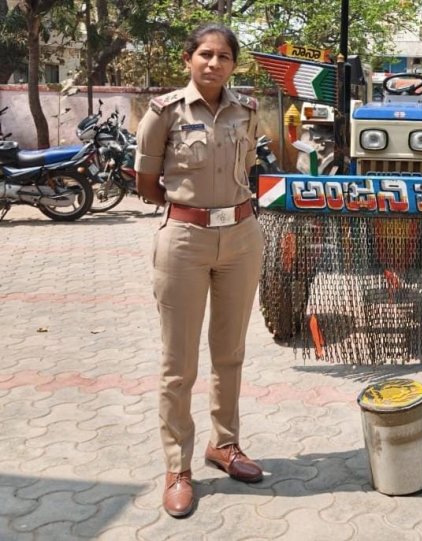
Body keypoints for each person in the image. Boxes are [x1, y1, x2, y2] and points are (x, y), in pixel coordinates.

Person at [135, 23, 265, 518]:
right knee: (178, 364)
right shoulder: (163, 113)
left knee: (230, 352)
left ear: (234, 63)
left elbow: (249, 166)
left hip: (241, 237)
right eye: (205, 54)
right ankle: (178, 467)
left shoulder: (249, 111)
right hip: (184, 241)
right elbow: (148, 183)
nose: (214, 63)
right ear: (189, 59)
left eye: (224, 56)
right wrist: (191, 213)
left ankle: (225, 445)